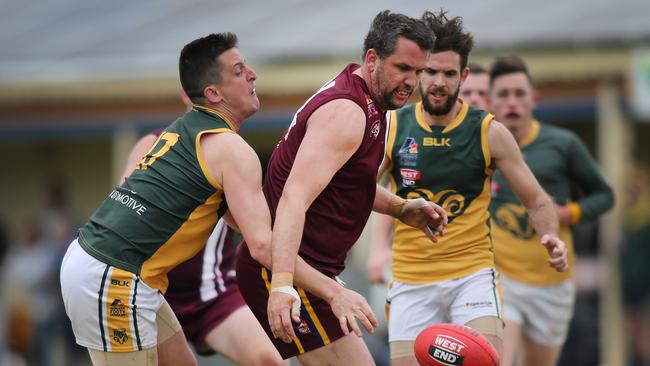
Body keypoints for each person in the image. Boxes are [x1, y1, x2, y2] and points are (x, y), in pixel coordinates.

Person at [236, 10, 447, 365]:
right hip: (288, 270)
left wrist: (399, 208)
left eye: (418, 71)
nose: (412, 81)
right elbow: (294, 198)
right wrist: (284, 285)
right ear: (372, 59)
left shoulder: (369, 98)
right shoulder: (347, 113)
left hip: (305, 271)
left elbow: (345, 182)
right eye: (402, 68)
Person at [364, 10, 569, 365]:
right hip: (411, 281)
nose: (439, 82)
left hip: (471, 277)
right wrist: (378, 245)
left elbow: (537, 200)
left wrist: (550, 234)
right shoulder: (393, 126)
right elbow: (360, 189)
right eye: (430, 71)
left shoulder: (488, 131)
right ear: (417, 72)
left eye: (449, 73)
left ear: (465, 76)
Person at [60, 32, 274, 366]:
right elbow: (263, 246)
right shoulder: (183, 143)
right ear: (208, 94)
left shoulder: (199, 141)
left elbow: (256, 231)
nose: (252, 74)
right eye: (238, 70)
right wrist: (328, 289)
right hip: (118, 276)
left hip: (166, 284)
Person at [119, 113, 286, 364]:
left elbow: (258, 237)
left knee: (271, 359)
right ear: (193, 91)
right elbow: (124, 215)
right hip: (153, 289)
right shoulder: (153, 144)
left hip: (213, 292)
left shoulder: (232, 150)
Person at [488, 55, 614, 366]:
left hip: (552, 282)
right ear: (491, 100)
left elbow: (605, 195)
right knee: (499, 359)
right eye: (503, 95)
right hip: (501, 280)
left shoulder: (562, 144)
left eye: (519, 94)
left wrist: (568, 214)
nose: (512, 102)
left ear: (535, 99)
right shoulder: (481, 145)